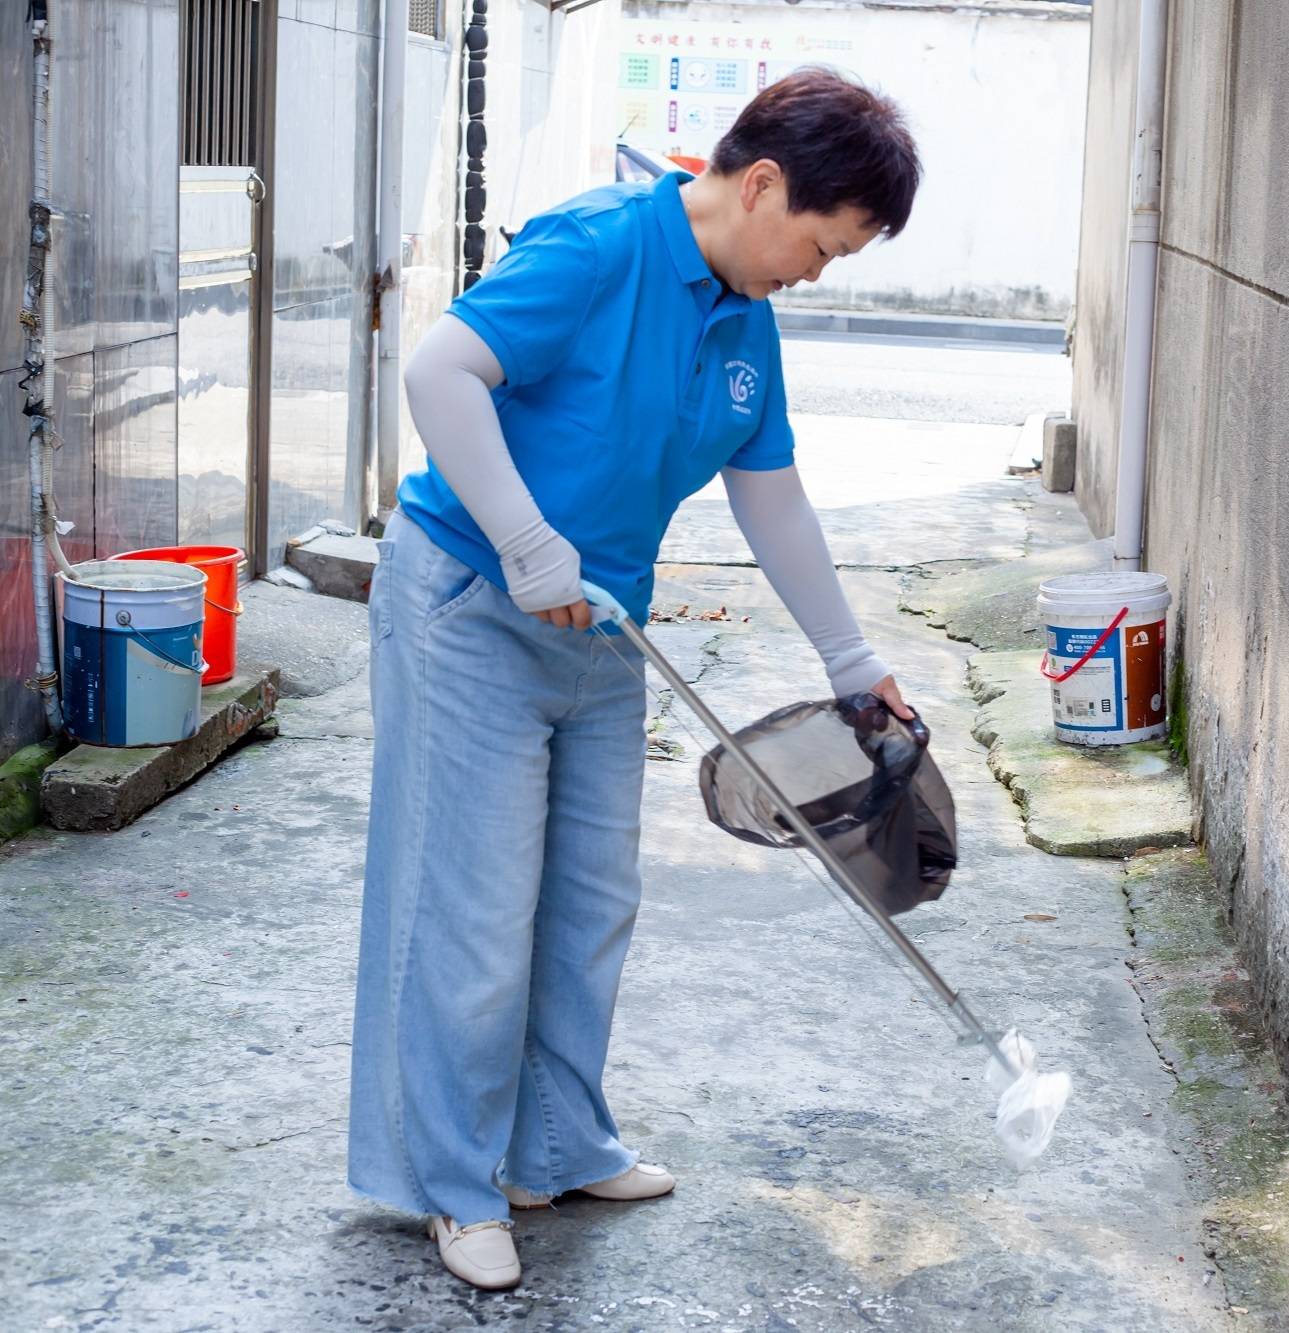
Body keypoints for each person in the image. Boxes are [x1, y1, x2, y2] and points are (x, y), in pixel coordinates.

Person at [345, 70, 922, 1291]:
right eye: (819, 245)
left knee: (591, 898)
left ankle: (555, 1147)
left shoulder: (741, 307)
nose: (814, 273)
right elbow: (441, 371)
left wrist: (852, 663)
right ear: (761, 185)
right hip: (473, 604)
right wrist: (521, 536)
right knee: (476, 910)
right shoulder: (601, 247)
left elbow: (769, 493)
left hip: (603, 631)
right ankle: (456, 1187)